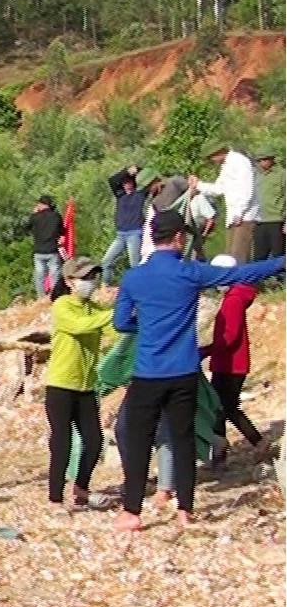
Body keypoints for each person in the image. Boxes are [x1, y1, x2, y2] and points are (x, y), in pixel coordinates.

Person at [112, 209, 284, 530]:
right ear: (178, 237)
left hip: (148, 372)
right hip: (184, 372)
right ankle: (184, 510)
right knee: (182, 438)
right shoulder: (190, 273)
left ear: (152, 238)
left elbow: (121, 322)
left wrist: (147, 325)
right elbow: (240, 275)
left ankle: (132, 512)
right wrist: (280, 261)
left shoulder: (134, 278)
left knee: (138, 438)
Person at [44, 258, 118, 510]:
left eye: (92, 277)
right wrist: (112, 315)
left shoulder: (93, 308)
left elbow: (114, 331)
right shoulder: (62, 305)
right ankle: (55, 498)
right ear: (69, 281)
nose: (90, 283)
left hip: (86, 386)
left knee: (95, 440)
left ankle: (81, 488)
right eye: (84, 278)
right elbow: (78, 326)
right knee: (61, 442)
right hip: (61, 385)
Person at [201, 256, 268, 455]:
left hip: (229, 363)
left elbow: (229, 337)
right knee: (221, 409)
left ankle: (255, 443)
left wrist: (206, 351)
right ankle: (221, 452)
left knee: (224, 408)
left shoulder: (233, 301)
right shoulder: (237, 297)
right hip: (231, 362)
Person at [192, 140, 259, 263]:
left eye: (211, 157)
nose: (212, 161)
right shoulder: (226, 166)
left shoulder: (239, 161)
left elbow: (246, 189)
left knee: (239, 255)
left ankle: (241, 282)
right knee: (230, 255)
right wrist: (198, 185)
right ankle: (232, 281)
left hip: (244, 216)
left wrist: (239, 212)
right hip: (234, 217)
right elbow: (218, 189)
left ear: (218, 153)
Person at [105, 164, 147, 281]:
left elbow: (146, 173)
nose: (126, 184)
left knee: (135, 265)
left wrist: (136, 170)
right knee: (106, 262)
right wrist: (126, 172)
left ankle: (139, 288)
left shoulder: (140, 194)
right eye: (124, 182)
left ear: (134, 182)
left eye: (129, 182)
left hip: (135, 233)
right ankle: (105, 287)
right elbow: (112, 180)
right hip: (120, 234)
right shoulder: (120, 195)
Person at [28, 194, 67, 297]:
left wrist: (34, 214)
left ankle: (41, 298)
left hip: (39, 251)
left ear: (41, 204)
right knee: (55, 275)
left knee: (40, 276)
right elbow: (63, 231)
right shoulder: (56, 216)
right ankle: (55, 297)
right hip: (52, 250)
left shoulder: (35, 217)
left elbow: (26, 228)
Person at [255, 148, 283, 262]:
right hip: (259, 220)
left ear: (272, 160)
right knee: (259, 255)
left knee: (278, 253)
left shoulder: (282, 175)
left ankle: (279, 278)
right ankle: (259, 278)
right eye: (260, 160)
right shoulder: (256, 176)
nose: (263, 162)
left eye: (266, 159)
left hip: (276, 219)